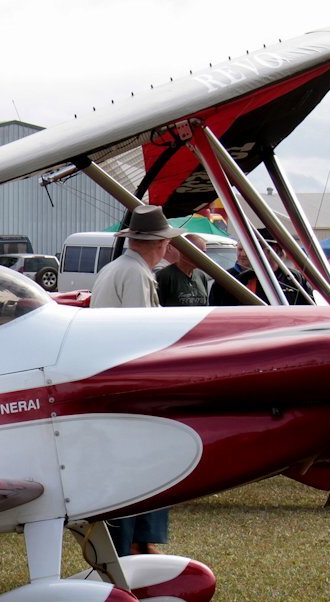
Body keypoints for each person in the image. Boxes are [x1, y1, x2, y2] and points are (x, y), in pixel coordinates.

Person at [89, 204, 182, 556]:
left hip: (110, 381)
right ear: (157, 243)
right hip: (128, 386)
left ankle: (136, 541)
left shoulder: (115, 269)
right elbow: (140, 335)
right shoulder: (137, 274)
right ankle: (132, 543)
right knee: (147, 462)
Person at [155, 234, 211, 306]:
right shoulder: (165, 276)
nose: (204, 257)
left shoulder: (201, 276)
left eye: (204, 253)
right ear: (185, 251)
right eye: (200, 253)